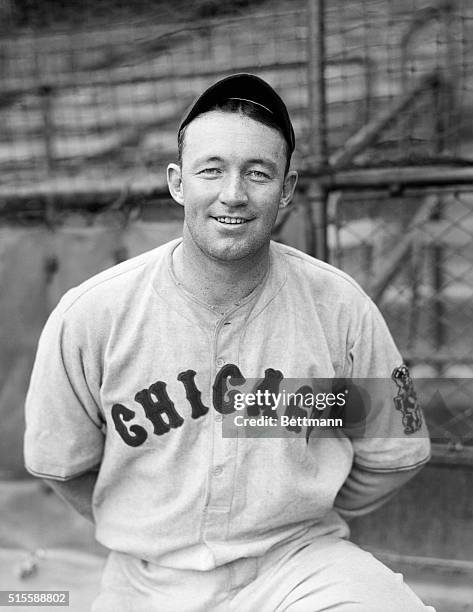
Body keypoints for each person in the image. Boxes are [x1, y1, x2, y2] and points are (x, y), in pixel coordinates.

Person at [24, 73, 434, 611]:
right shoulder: (93, 312)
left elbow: (395, 451)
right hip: (148, 582)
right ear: (177, 182)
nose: (233, 194)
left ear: (286, 188)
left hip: (297, 566)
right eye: (211, 170)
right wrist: (148, 524)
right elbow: (62, 463)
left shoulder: (338, 306)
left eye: (258, 173)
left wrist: (307, 508)